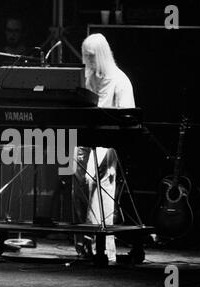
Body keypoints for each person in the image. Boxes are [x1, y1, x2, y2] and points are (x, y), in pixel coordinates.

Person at [74, 33, 135, 263]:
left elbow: (128, 120)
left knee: (99, 185)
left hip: (107, 143)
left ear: (99, 56)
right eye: (85, 56)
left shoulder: (120, 81)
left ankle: (104, 247)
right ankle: (82, 247)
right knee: (77, 183)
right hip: (84, 138)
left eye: (91, 57)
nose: (88, 61)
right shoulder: (86, 78)